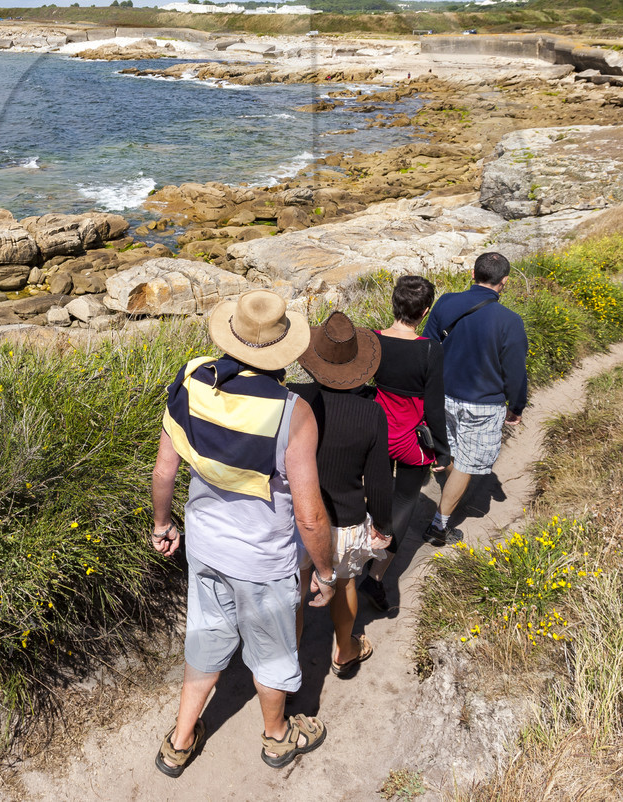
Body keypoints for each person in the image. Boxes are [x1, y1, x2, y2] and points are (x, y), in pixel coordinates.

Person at [150, 289, 336, 777]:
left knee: (206, 638)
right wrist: (325, 570)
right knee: (272, 651)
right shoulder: (292, 412)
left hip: (206, 547)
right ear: (282, 349)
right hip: (262, 562)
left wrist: (163, 524)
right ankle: (277, 738)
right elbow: (310, 516)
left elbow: (166, 470)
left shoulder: (192, 380)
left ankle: (180, 740)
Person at [290, 311, 397, 679]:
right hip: (344, 518)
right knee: (345, 581)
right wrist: (383, 524)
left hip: (294, 514)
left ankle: (288, 666)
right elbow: (380, 480)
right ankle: (345, 649)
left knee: (298, 591)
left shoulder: (292, 398)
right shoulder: (370, 413)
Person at [420, 252, 528, 547]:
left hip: (442, 394)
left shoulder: (445, 302)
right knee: (468, 462)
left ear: (473, 273)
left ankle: (451, 488)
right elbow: (515, 371)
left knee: (455, 454)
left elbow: (428, 347)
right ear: (504, 282)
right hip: (482, 403)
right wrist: (516, 406)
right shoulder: (510, 321)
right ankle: (438, 527)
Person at [358, 274, 449, 610]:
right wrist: (442, 448)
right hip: (411, 440)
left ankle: (358, 552)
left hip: (375, 432)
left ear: (393, 304)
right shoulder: (429, 348)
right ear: (425, 311)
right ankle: (377, 576)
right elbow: (434, 406)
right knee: (405, 501)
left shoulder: (371, 341)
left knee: (373, 492)